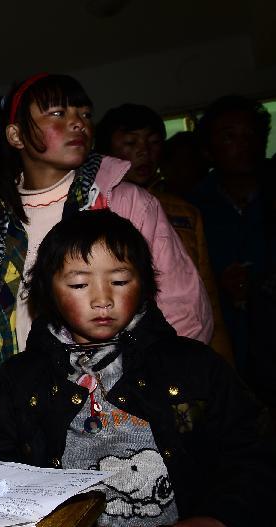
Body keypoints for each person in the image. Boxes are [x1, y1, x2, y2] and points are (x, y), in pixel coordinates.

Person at [0, 209, 276, 527]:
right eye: (79, 285)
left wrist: (226, 521)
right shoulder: (21, 379)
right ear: (47, 293)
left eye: (119, 281)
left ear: (145, 285)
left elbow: (252, 451)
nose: (102, 299)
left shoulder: (197, 367)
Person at [0, 73, 211, 421]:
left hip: (129, 409)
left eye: (84, 114)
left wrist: (161, 392)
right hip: (28, 413)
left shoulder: (126, 204)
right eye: (57, 114)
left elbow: (182, 306)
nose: (78, 123)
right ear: (16, 135)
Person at [95, 104, 233, 363]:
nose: (143, 151)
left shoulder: (184, 211)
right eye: (130, 142)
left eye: (154, 142)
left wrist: (222, 365)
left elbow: (207, 297)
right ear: (105, 150)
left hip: (183, 345)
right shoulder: (96, 208)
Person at [190, 95, 275, 388]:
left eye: (251, 135)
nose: (244, 144)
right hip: (226, 352)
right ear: (209, 150)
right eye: (230, 137)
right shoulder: (191, 209)